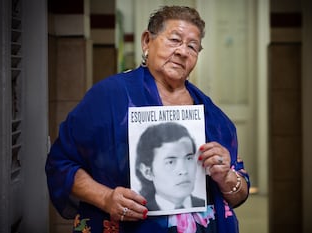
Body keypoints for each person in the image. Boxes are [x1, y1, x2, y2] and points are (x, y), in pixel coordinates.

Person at [45, 5, 250, 233]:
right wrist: (105, 198)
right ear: (146, 41)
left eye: (192, 47)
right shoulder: (110, 97)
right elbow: (61, 163)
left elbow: (239, 193)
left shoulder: (210, 115)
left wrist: (227, 178)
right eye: (174, 40)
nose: (183, 51)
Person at [135, 122, 205, 212]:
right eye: (170, 162)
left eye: (189, 158)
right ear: (147, 172)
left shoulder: (206, 205)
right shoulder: (138, 211)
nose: (183, 171)